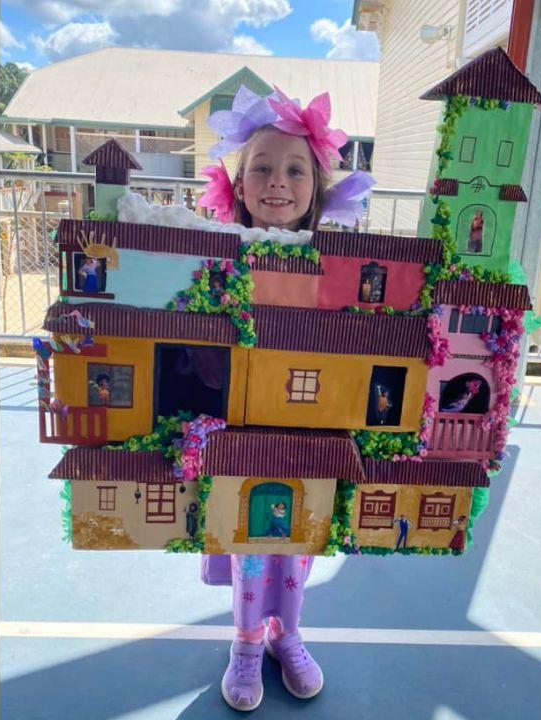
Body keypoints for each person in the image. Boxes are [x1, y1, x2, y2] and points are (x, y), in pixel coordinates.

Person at [196, 86, 374, 712]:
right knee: (247, 540)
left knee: (297, 539)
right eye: (262, 168)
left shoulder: (336, 261)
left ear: (319, 188)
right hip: (239, 425)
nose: (279, 182)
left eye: (296, 169)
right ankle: (245, 643)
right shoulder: (216, 256)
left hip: (308, 425)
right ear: (238, 187)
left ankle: (286, 634)